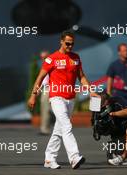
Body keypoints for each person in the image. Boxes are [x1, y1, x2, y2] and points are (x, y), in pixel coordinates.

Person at [27, 31, 98, 169]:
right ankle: (74, 157)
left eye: (72, 44)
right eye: (67, 43)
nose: (70, 46)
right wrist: (33, 95)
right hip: (56, 97)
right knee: (66, 126)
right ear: (61, 41)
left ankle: (49, 159)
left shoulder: (76, 58)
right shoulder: (51, 59)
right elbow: (40, 77)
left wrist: (91, 91)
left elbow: (81, 77)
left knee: (58, 130)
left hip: (70, 99)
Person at [92, 92, 127, 165]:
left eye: (102, 103)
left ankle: (123, 157)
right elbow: (96, 124)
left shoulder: (117, 100)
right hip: (119, 130)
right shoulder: (97, 108)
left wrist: (113, 114)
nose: (101, 106)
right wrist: (99, 128)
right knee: (114, 155)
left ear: (107, 101)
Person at [39, 50, 51, 135]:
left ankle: (45, 129)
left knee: (47, 109)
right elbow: (42, 79)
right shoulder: (44, 65)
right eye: (41, 57)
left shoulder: (51, 64)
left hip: (50, 88)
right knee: (44, 109)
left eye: (44, 57)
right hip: (45, 89)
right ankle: (44, 128)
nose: (42, 58)